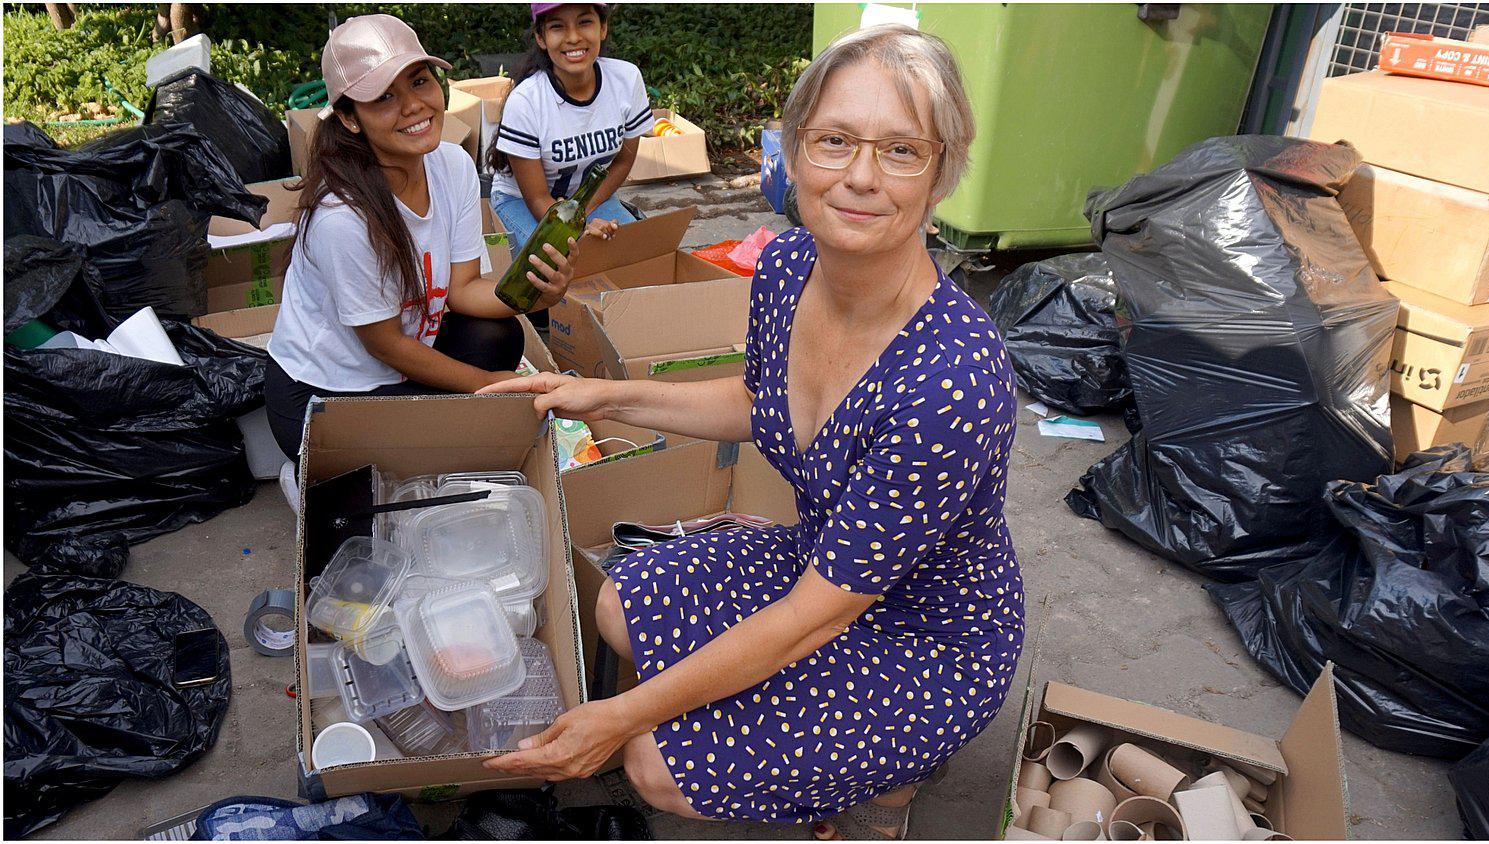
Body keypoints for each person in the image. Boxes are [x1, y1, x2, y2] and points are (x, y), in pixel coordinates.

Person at [480, 24, 1024, 840]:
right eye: (835, 141)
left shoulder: (950, 381)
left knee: (652, 764)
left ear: (941, 173)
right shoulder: (787, 267)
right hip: (823, 564)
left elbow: (815, 617)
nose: (861, 178)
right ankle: (814, 751)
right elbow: (756, 401)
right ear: (794, 149)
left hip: (926, 631)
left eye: (902, 151)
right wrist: (596, 394)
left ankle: (889, 783)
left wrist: (619, 717)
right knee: (622, 603)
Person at [265, 14, 582, 461]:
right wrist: (482, 385)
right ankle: (306, 475)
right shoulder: (342, 216)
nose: (413, 106)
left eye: (419, 81)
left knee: (501, 338)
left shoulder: (452, 166)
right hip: (325, 391)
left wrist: (541, 293)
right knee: (405, 483)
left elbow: (463, 290)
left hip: (403, 360)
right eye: (384, 97)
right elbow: (384, 344)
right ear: (349, 119)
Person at [487, 3, 652, 258]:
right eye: (557, 27)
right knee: (553, 266)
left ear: (603, 28)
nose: (573, 37)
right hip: (523, 202)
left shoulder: (626, 80)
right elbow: (538, 198)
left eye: (585, 22)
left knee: (641, 255)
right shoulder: (526, 101)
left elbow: (622, 162)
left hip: (589, 200)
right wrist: (581, 228)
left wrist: (584, 212)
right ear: (541, 38)